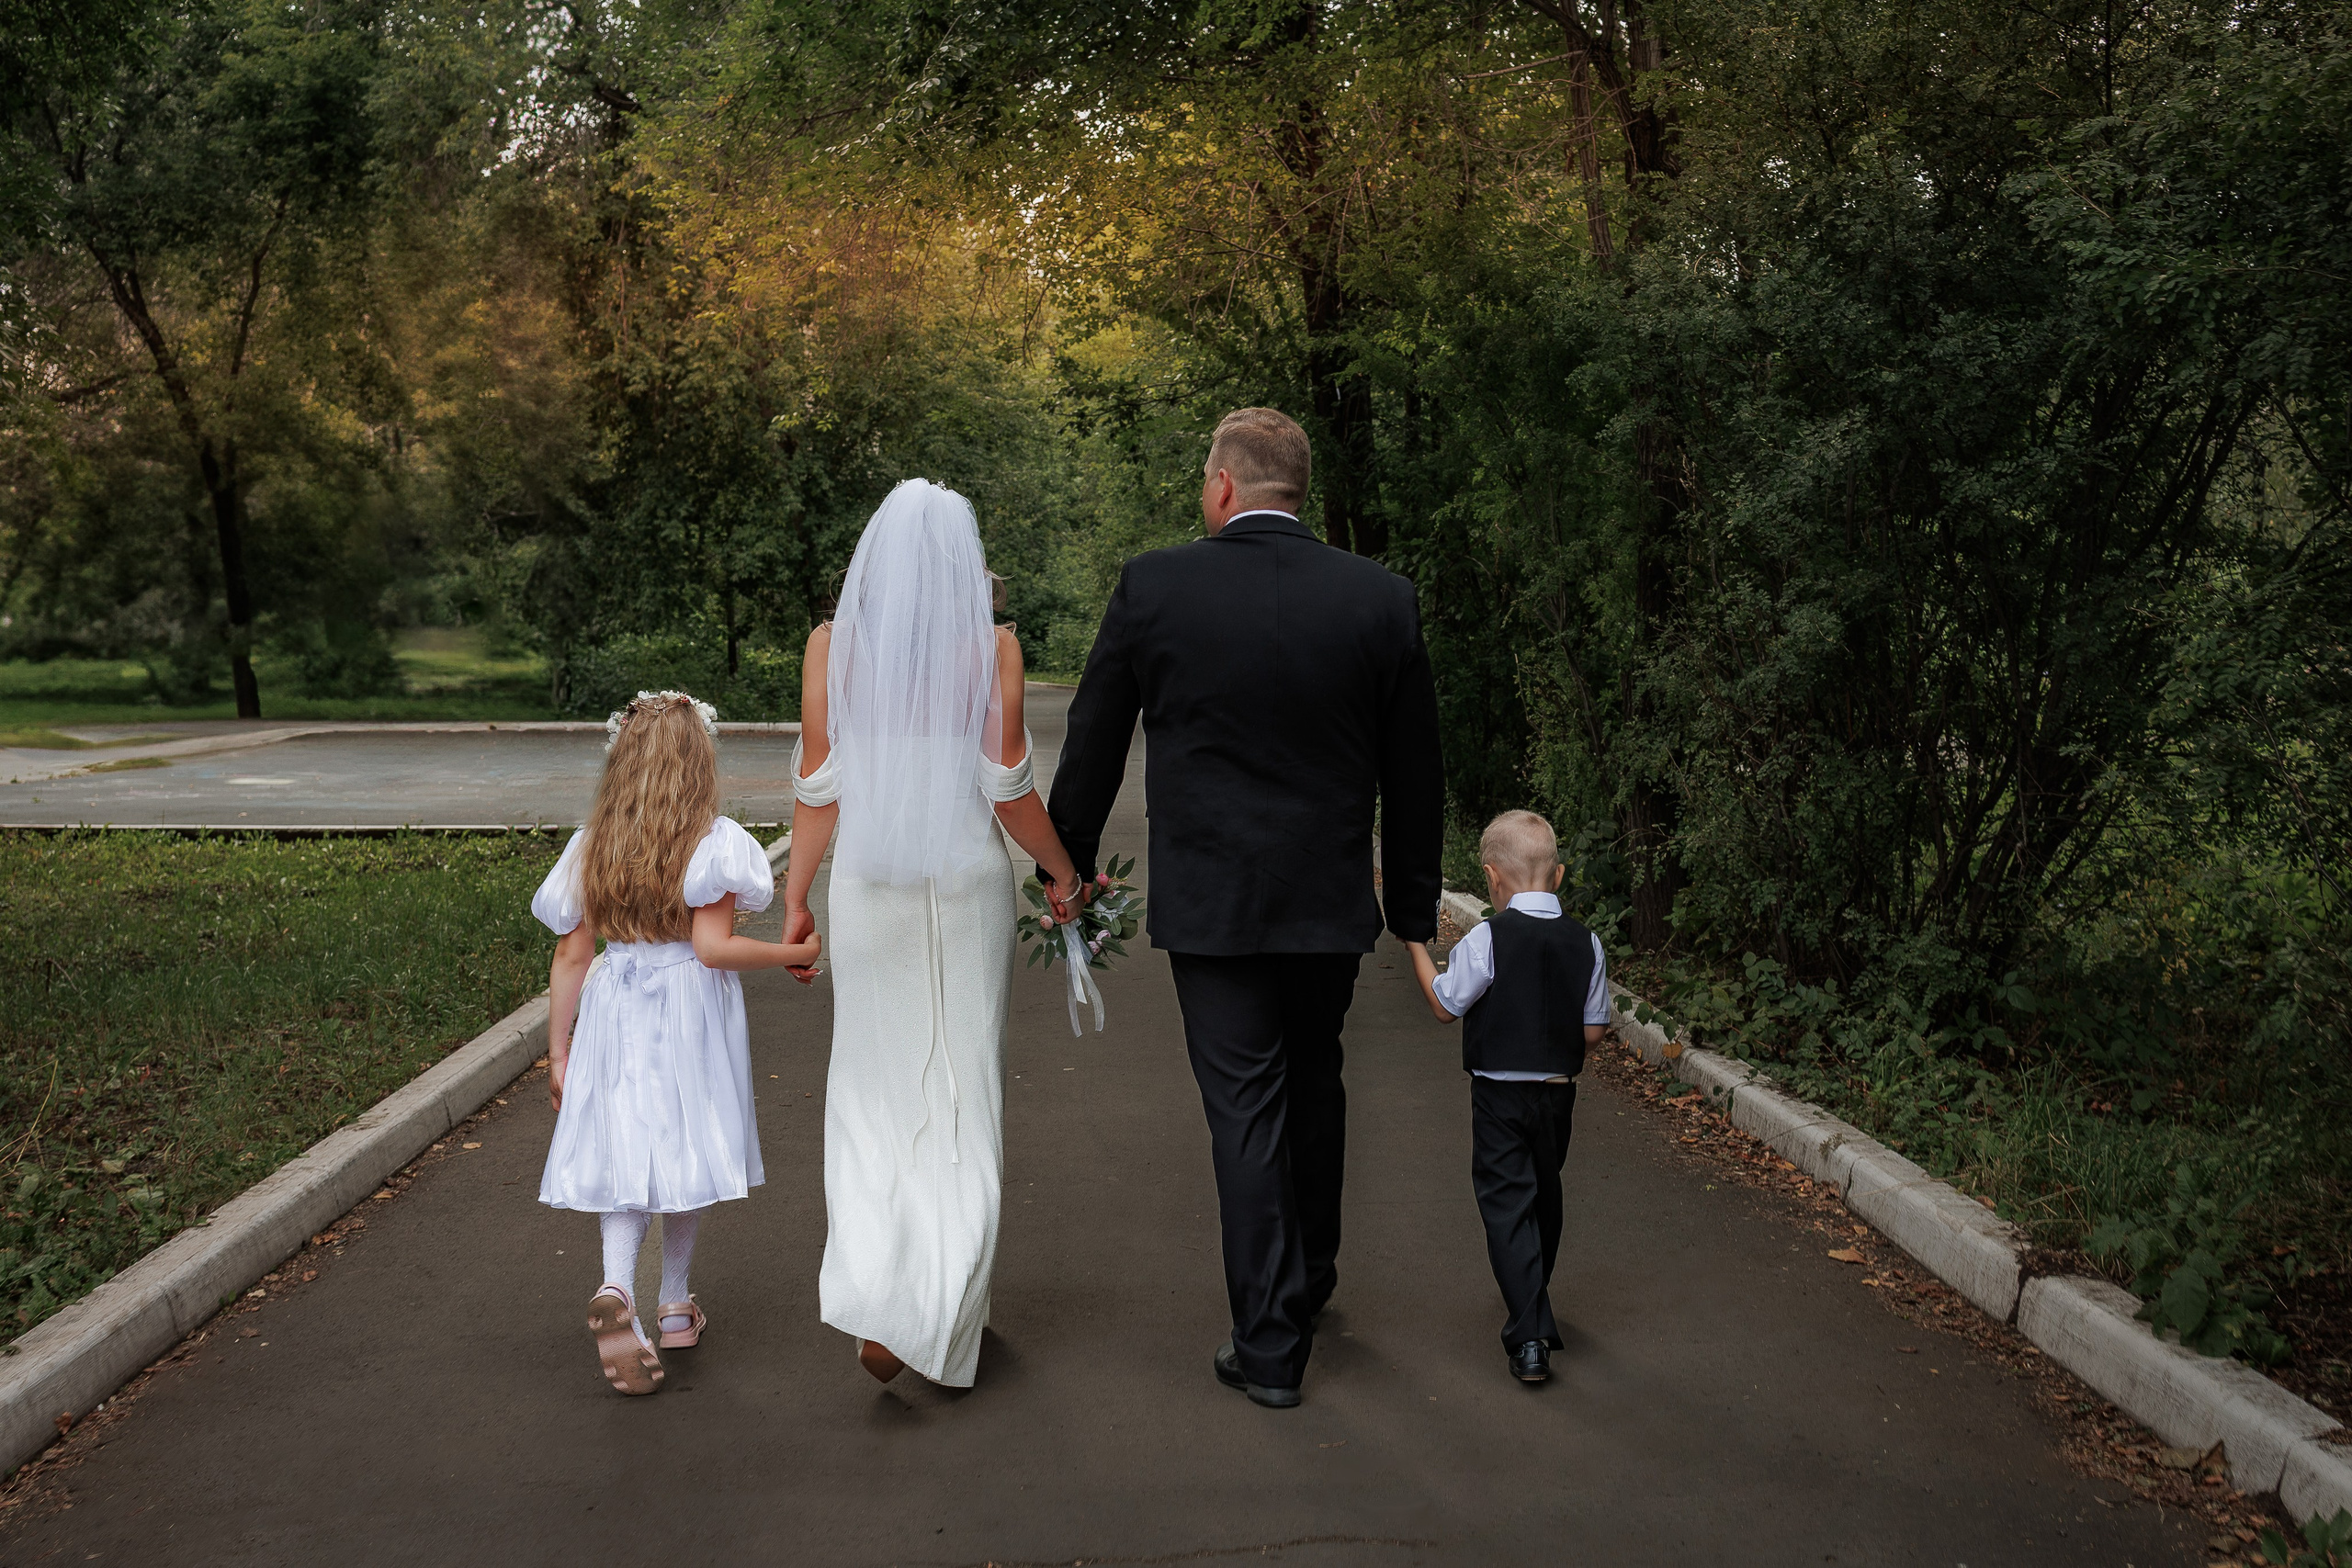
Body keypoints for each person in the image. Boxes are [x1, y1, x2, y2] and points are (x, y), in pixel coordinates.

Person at [1047, 408, 1444, 1409]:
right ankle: (1311, 1278)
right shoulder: (1380, 599)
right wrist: (1411, 912)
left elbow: (1095, 735)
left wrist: (1069, 866)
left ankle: (1270, 1345)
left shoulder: (1156, 586)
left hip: (1213, 902)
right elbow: (1417, 771)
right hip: (1325, 900)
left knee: (1246, 1105)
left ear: (1223, 484)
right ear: (1296, 489)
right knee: (1313, 1079)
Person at [782, 478, 1084, 1389]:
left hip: (868, 889)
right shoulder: (990, 649)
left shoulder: (831, 648)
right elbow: (1008, 789)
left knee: (869, 1089)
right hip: (964, 888)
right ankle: (944, 1303)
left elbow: (818, 787)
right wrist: (1064, 874)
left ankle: (879, 1290)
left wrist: (795, 900)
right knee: (962, 1089)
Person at [532, 690, 820, 1397]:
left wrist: (560, 1050)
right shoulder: (712, 843)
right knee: (686, 1146)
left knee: (627, 1149)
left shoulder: (592, 844)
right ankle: (674, 1304)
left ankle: (618, 1286)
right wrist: (793, 953)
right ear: (699, 761)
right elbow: (713, 948)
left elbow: (572, 955)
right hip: (689, 1005)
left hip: (615, 1003)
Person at [1404, 809, 1610, 1385]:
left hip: (1498, 1098)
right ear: (1559, 875)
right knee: (1543, 1195)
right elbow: (1594, 1030)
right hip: (1557, 1097)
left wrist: (1416, 945)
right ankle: (1533, 1296)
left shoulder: (1486, 938)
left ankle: (1529, 1339)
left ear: (1492, 878)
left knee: (1505, 1204)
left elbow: (1445, 1006)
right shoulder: (1587, 942)